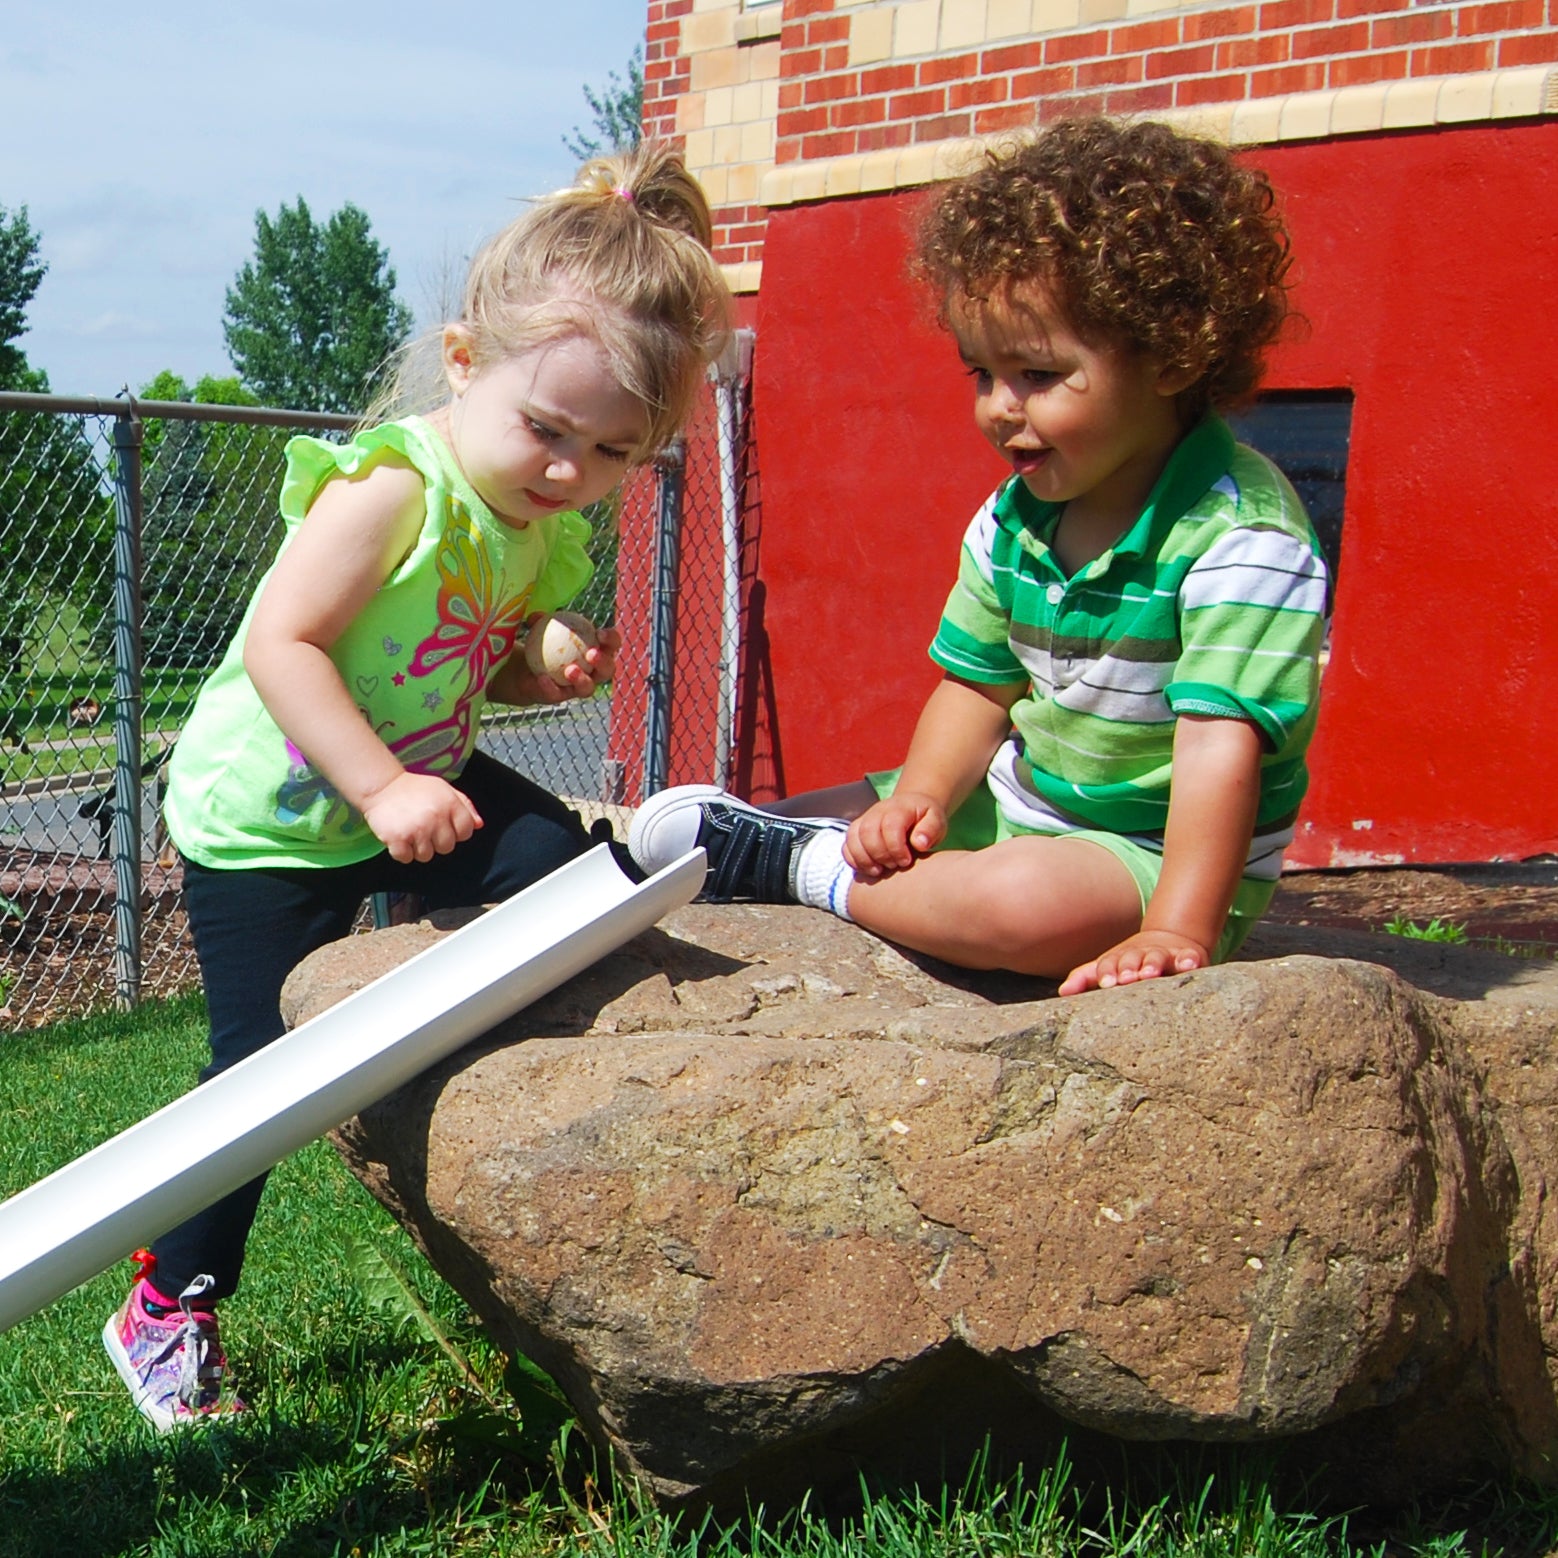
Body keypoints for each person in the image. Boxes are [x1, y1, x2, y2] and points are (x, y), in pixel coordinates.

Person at [103, 142, 731, 1432]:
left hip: (415, 780)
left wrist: (536, 660)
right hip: (272, 820)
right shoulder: (391, 482)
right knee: (259, 1072)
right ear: (463, 363)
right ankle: (167, 1303)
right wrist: (384, 787)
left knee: (569, 874)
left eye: (611, 452)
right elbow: (288, 645)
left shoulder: (535, 516)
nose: (568, 470)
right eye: (547, 430)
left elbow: (458, 654)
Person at [630, 116, 1328, 999]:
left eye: (1038, 375)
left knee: (1020, 909)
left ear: (1171, 356)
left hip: (1153, 852)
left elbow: (1219, 752)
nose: (1001, 407)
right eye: (981, 375)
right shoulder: (1013, 520)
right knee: (841, 810)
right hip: (1022, 797)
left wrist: (1176, 927)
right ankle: (775, 840)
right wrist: (920, 798)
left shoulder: (1241, 541)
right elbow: (977, 686)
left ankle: (809, 875)